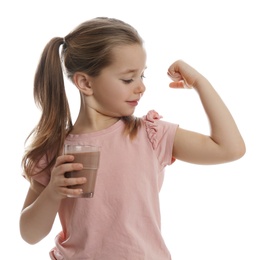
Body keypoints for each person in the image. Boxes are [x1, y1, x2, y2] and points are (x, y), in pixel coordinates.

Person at [19, 17, 246, 259]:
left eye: (142, 76)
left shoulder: (150, 135)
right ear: (85, 82)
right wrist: (53, 191)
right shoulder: (55, 150)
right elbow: (30, 234)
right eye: (128, 79)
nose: (140, 87)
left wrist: (200, 83)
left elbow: (230, 149)